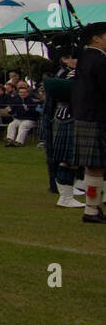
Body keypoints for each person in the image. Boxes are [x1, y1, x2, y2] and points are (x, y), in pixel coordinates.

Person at [72, 21, 106, 223]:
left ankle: (92, 208)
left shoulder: (85, 58)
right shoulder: (100, 60)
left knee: (94, 167)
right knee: (96, 167)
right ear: (96, 38)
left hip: (87, 115)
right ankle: (91, 211)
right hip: (98, 116)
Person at [43, 46, 83, 208]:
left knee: (74, 159)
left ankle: (70, 191)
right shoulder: (70, 74)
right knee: (69, 158)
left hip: (74, 115)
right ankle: (65, 197)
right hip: (70, 115)